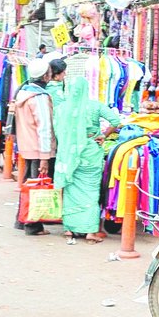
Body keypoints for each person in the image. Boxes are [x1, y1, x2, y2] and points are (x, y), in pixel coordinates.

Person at [53, 77, 120, 242]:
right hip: (90, 154)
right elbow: (116, 121)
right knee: (90, 191)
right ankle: (90, 231)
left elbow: (57, 129)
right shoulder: (94, 106)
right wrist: (103, 135)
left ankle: (69, 228)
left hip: (70, 154)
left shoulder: (62, 108)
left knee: (70, 190)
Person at [15, 59, 57, 236]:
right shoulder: (38, 97)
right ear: (46, 75)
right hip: (39, 147)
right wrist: (45, 157)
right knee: (36, 186)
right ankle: (32, 225)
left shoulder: (23, 92)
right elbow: (44, 127)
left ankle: (21, 219)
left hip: (27, 145)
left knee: (28, 184)